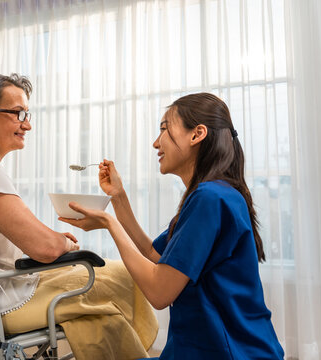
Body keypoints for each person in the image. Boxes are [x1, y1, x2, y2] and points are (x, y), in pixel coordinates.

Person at [0, 73, 158, 359]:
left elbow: (14, 235)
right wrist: (63, 244)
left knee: (103, 318)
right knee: (124, 275)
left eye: (27, 114)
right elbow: (45, 248)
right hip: (12, 298)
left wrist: (54, 239)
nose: (27, 124)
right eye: (18, 113)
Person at [61, 93, 285, 359]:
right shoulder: (215, 194)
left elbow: (159, 291)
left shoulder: (209, 199)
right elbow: (155, 256)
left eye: (164, 129)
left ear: (197, 134)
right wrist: (118, 199)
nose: (156, 143)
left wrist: (110, 223)